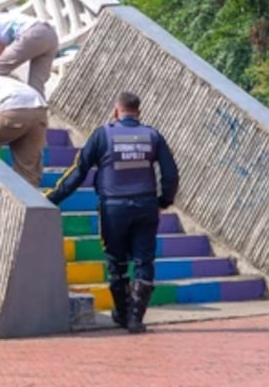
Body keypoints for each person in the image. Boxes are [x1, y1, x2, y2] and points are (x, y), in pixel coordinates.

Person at [46, 91, 179, 334]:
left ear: (115, 111)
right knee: (144, 260)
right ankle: (136, 319)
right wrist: (163, 202)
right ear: (139, 111)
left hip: (113, 207)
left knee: (116, 262)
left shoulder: (103, 135)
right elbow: (171, 174)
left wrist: (51, 199)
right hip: (146, 205)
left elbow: (78, 171)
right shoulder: (152, 135)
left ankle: (121, 312)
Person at [0, 9, 60, 98]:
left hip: (33, 32)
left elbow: (0, 52)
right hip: (50, 34)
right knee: (36, 85)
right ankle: (37, 114)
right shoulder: (0, 22)